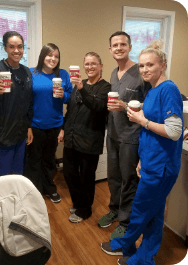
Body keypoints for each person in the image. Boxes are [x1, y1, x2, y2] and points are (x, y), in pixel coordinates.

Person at [101, 39, 183, 265]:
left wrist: (143, 121)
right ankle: (144, 258)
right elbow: (152, 128)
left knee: (140, 210)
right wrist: (141, 160)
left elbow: (174, 131)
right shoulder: (154, 90)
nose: (145, 69)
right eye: (143, 65)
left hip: (162, 166)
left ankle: (123, 246)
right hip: (150, 161)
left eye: (151, 65)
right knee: (154, 215)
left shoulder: (168, 89)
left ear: (162, 65)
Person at [98, 31, 151, 239]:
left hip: (131, 136)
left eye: (123, 44)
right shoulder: (113, 73)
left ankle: (125, 220)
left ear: (129, 47)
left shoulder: (141, 73)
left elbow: (150, 106)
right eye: (115, 45)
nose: (119, 48)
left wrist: (125, 105)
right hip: (113, 134)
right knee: (113, 177)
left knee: (129, 179)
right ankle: (114, 208)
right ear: (110, 50)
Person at [58, 52, 111, 223]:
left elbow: (97, 106)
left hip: (89, 140)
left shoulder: (106, 87)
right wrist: (63, 129)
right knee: (68, 173)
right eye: (87, 64)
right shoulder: (78, 85)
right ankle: (78, 202)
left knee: (86, 177)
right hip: (72, 138)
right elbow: (71, 109)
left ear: (100, 66)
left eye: (94, 63)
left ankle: (85, 210)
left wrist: (82, 88)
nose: (89, 67)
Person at [0, 31, 33, 178]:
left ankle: (15, 202)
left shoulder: (26, 72)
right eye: (12, 47)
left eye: (20, 46)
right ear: (5, 48)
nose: (16, 50)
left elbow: (28, 102)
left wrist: (28, 127)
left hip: (19, 135)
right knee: (1, 179)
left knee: (17, 177)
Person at [24, 44, 72, 203]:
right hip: (35, 125)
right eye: (49, 55)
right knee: (33, 160)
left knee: (49, 160)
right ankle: (34, 192)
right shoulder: (31, 73)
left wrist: (63, 95)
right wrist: (28, 126)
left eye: (56, 56)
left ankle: (49, 188)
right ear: (42, 56)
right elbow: (25, 101)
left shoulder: (63, 74)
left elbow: (71, 99)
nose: (53, 59)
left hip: (55, 125)